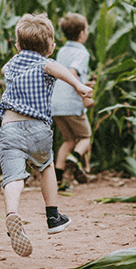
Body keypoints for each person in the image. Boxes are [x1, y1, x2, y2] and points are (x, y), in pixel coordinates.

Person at [0, 13, 93, 257]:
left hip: (9, 128)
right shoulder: (44, 63)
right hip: (38, 128)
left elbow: (4, 69)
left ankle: (12, 215)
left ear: (18, 46)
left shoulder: (12, 64)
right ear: (50, 47)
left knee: (13, 177)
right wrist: (79, 86)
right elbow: (58, 69)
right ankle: (53, 217)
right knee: (46, 166)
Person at [50, 13, 94, 191]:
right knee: (85, 138)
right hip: (71, 104)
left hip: (55, 104)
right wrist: (83, 93)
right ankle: (75, 159)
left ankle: (59, 181)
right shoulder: (82, 53)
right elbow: (73, 72)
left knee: (68, 140)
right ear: (82, 33)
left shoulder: (62, 51)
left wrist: (84, 82)